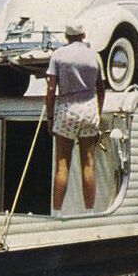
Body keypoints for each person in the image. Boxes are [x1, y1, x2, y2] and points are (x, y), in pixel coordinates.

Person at [46, 24, 105, 215]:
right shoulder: (94, 56)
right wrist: (97, 112)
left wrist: (50, 116)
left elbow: (51, 89)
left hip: (67, 108)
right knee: (88, 164)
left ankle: (57, 213)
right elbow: (101, 89)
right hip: (89, 109)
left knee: (62, 164)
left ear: (66, 36)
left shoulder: (58, 55)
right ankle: (89, 212)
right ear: (83, 34)